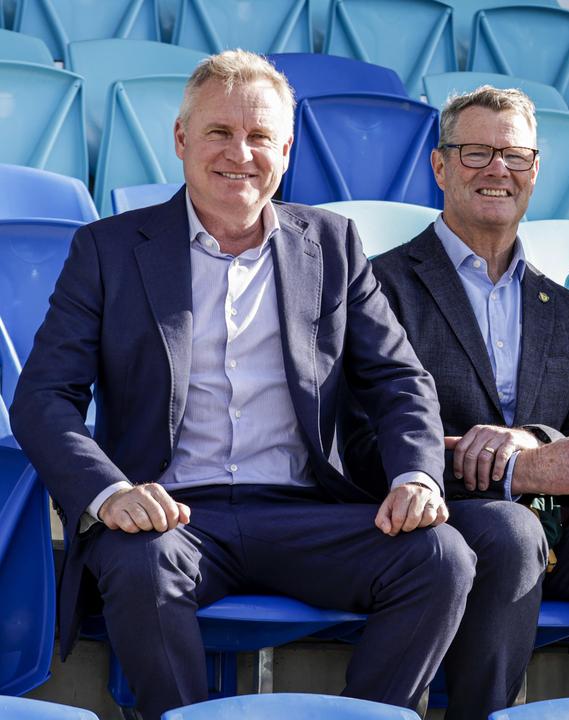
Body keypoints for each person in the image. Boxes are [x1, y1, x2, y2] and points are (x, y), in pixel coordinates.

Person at [10, 50, 475, 720]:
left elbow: (400, 380)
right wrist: (110, 494)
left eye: (260, 137)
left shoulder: (334, 245)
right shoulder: (107, 249)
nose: (241, 154)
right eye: (220, 133)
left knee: (442, 558)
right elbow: (44, 397)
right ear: (180, 140)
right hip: (171, 514)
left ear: (286, 150)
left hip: (305, 511)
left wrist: (418, 478)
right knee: (140, 567)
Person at [340, 86, 569, 720]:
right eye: (476, 152)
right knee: (509, 531)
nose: (496, 170)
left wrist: (537, 450)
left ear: (535, 171)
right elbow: (360, 441)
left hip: (556, 525)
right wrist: (495, 465)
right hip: (433, 521)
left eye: (513, 156)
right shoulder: (380, 284)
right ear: (440, 166)